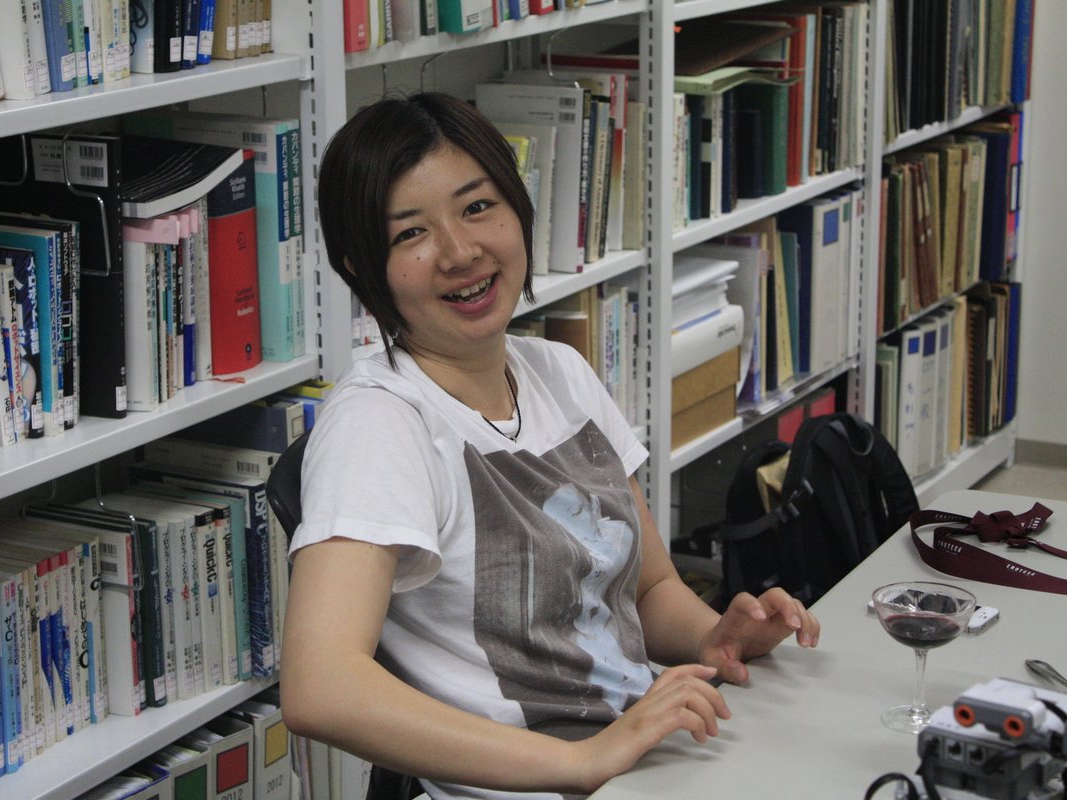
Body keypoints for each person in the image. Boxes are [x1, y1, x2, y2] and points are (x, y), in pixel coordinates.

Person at [280, 92, 820, 800]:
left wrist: (715, 637)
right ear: (361, 267)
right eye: (411, 234)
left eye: (478, 207)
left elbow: (649, 589)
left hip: (651, 759)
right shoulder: (380, 424)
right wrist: (582, 760)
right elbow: (320, 688)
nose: (461, 252)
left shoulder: (557, 371)